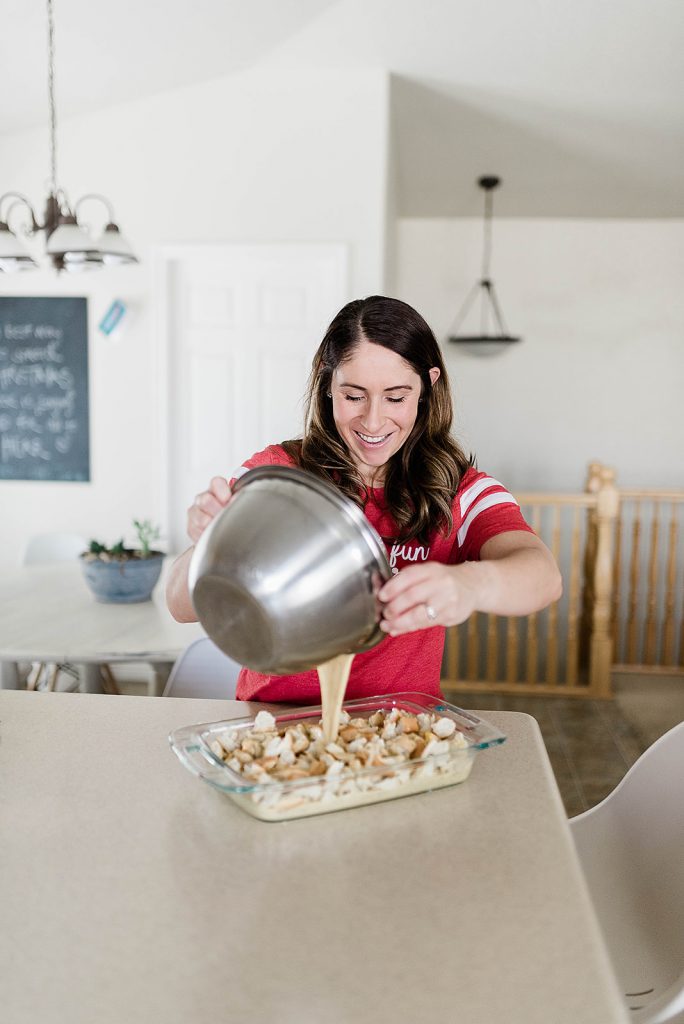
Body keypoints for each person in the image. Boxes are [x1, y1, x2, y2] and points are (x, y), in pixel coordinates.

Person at [167, 295, 562, 702]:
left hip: (399, 733)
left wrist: (471, 584)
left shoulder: (463, 491)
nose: (373, 422)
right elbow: (181, 605)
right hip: (273, 727)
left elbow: (544, 577)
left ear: (428, 386)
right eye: (354, 396)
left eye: (396, 397)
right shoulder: (279, 477)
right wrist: (208, 542)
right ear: (327, 385)